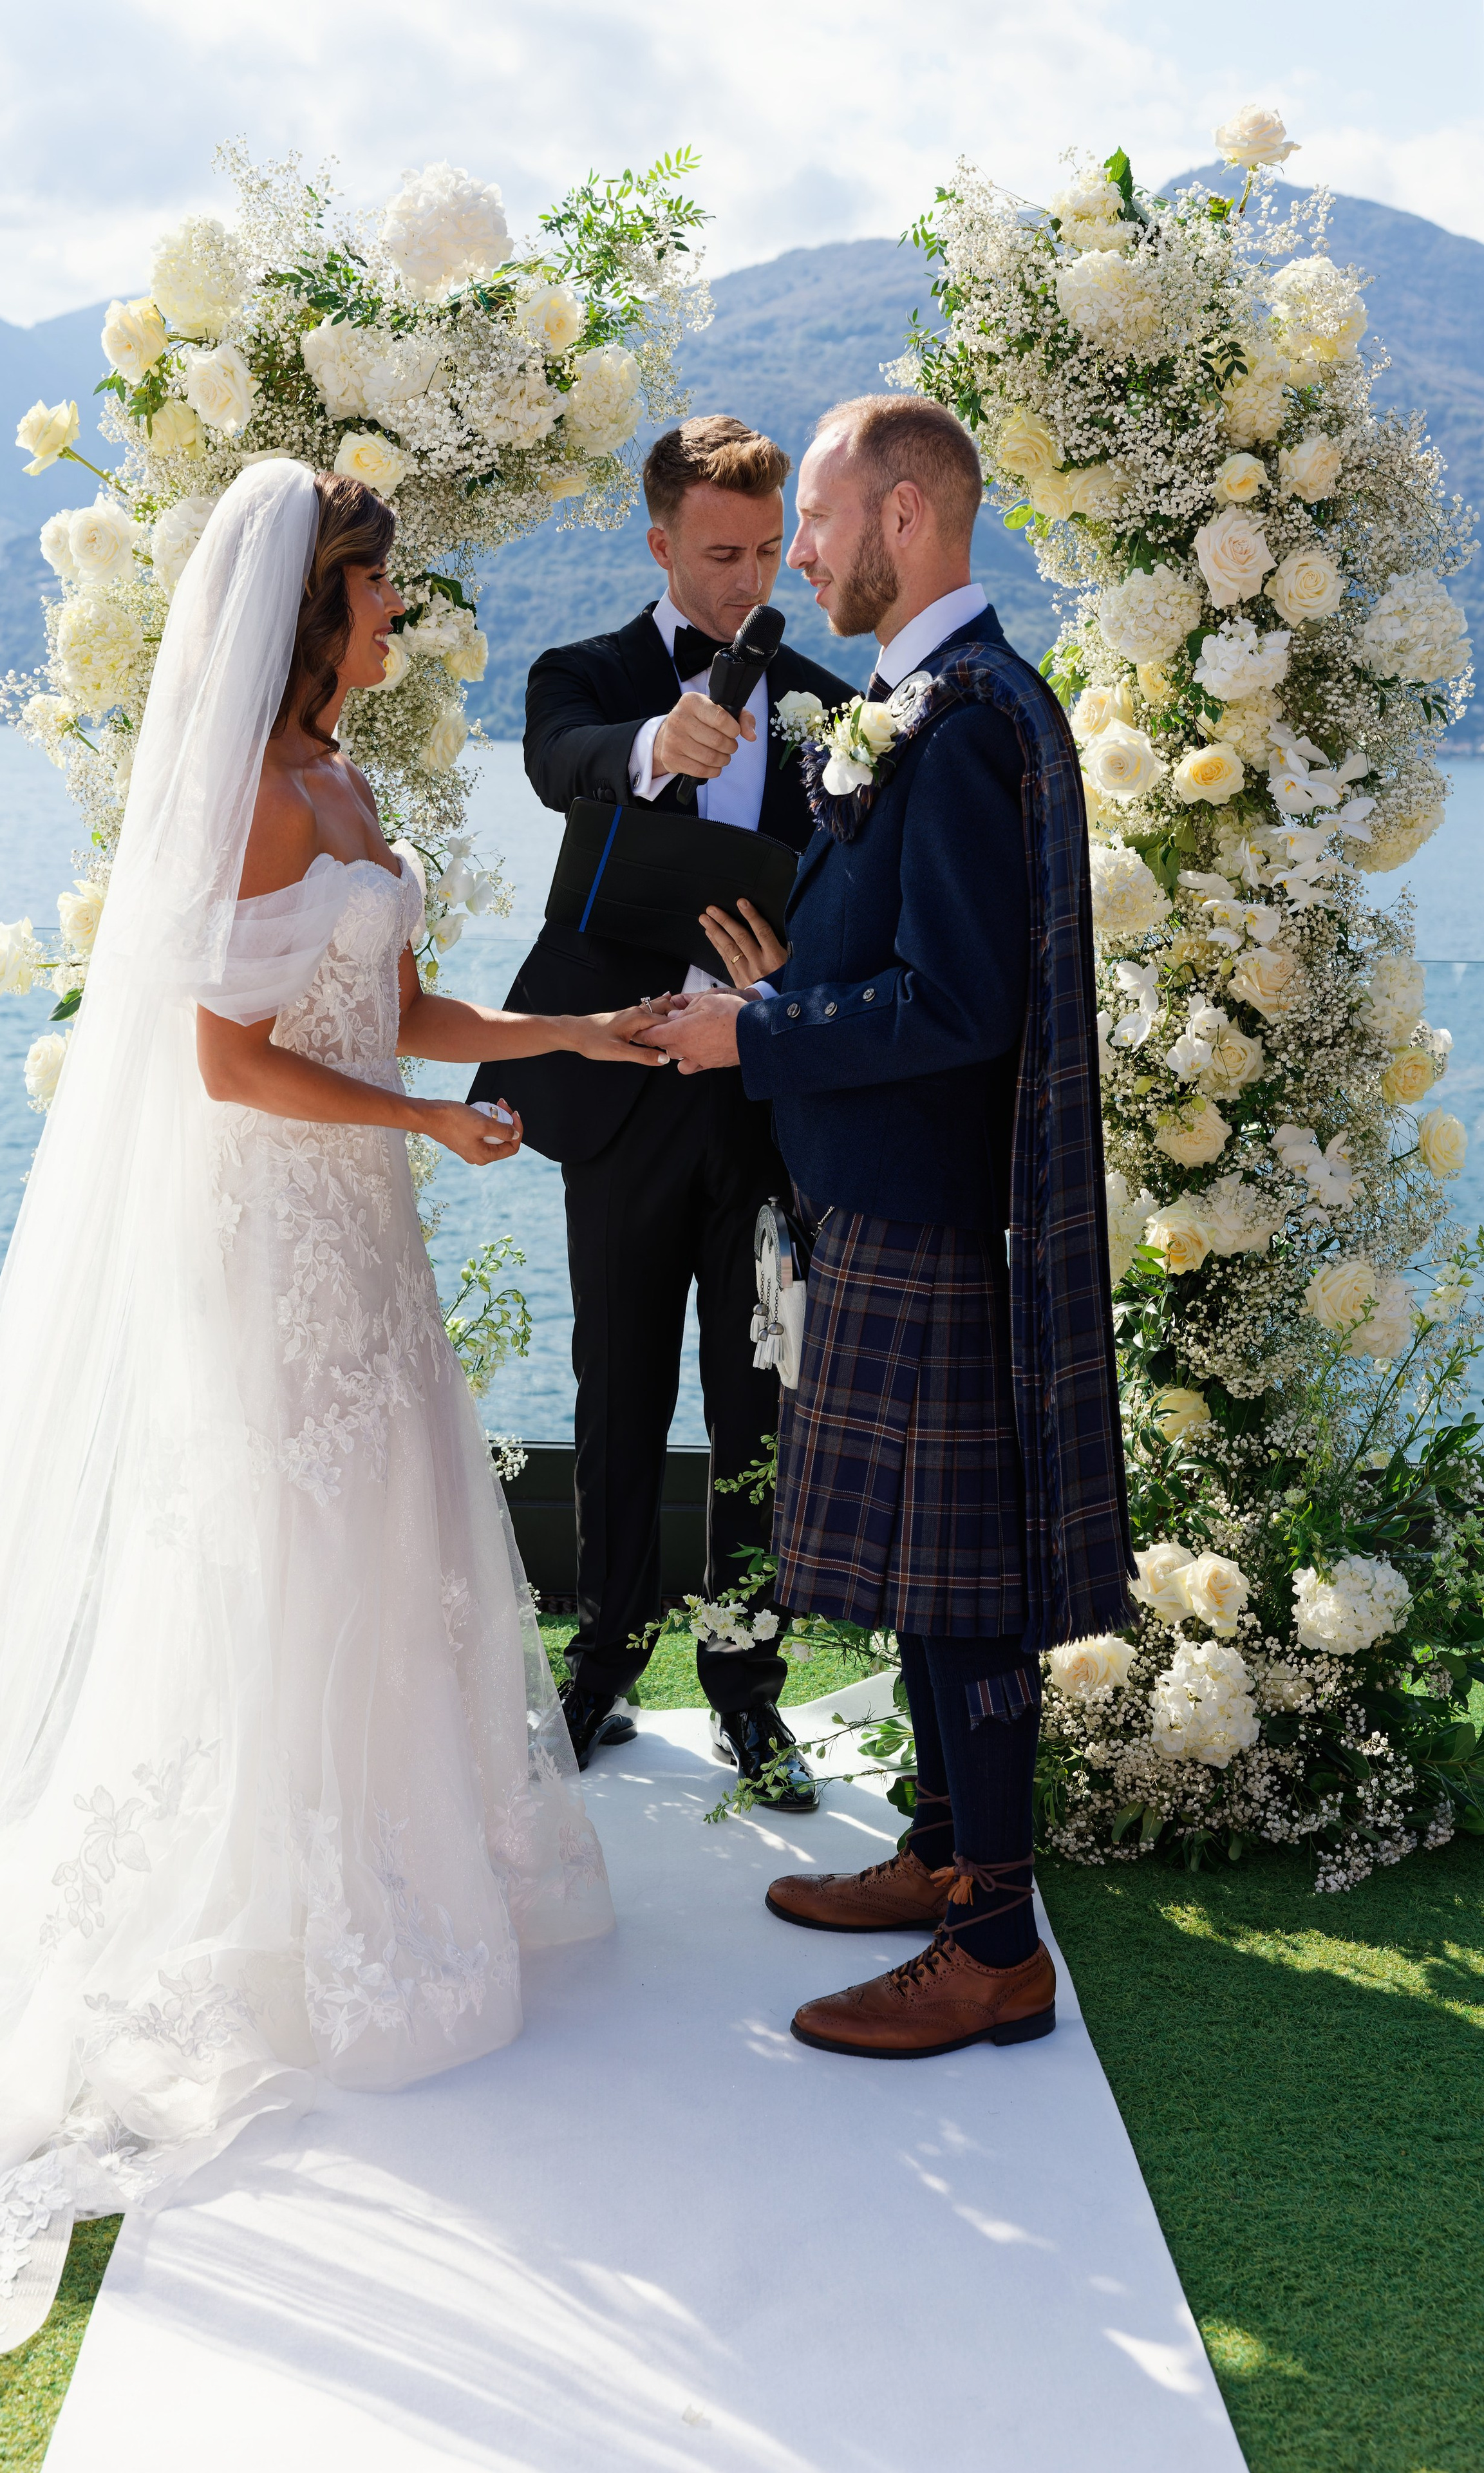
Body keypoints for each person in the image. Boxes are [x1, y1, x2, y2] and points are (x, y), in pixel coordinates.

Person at [0, 460, 662, 2427]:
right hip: (267, 1240)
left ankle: (389, 1878)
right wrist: (427, 1130)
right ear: (307, 612)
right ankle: (281, 1918)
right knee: (287, 1549)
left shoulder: (353, 787)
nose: (401, 627)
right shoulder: (255, 795)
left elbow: (386, 1002)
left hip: (354, 1235)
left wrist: (571, 1039)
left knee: (387, 1548)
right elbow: (225, 1056)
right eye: (380, 601)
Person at [637, 397, 1133, 2059]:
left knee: (961, 1592)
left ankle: (995, 1938)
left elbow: (965, 1003)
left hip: (928, 1219)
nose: (800, 552)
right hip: (885, 1205)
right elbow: (911, 970)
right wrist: (800, 991)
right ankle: (941, 1856)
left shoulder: (974, 714)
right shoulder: (921, 704)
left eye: (823, 519)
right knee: (934, 1586)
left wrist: (754, 1036)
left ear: (907, 515)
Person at [472, 417, 854, 1806]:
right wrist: (648, 742)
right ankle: (604, 1668)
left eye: (764, 553)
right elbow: (557, 760)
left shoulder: (825, 703)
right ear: (657, 544)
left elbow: (851, 903)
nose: (747, 579)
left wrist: (787, 982)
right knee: (616, 1388)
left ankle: (751, 1694)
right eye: (717, 554)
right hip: (622, 1090)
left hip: (756, 1101)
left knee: (760, 1406)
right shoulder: (584, 676)